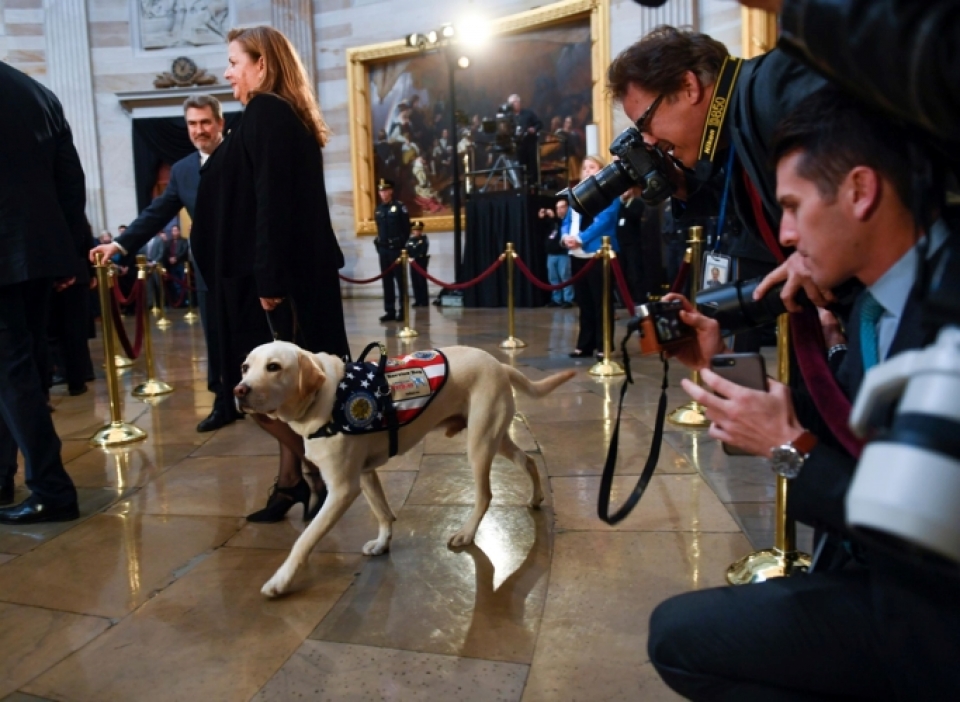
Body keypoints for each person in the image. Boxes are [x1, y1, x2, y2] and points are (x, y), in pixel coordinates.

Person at [647, 86, 957, 700]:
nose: (784, 234)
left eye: (792, 206)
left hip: (931, 611)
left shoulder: (946, 306)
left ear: (860, 191)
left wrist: (789, 448)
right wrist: (724, 367)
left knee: (681, 640)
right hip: (874, 568)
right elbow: (845, 426)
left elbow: (924, 530)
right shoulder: (874, 303)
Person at [189, 26, 350, 523]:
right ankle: (289, 485)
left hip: (273, 284)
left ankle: (322, 471)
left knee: (256, 396)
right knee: (282, 394)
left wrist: (269, 283)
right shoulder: (272, 113)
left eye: (235, 61)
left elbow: (273, 206)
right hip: (274, 277)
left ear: (262, 64)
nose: (227, 71)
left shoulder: (266, 112)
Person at [90, 95, 238, 432]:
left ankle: (265, 401)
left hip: (247, 268)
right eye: (192, 124)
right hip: (206, 271)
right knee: (215, 338)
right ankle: (223, 402)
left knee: (253, 336)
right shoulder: (184, 169)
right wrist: (118, 243)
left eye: (205, 122)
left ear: (220, 123)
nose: (199, 130)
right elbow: (157, 213)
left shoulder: (241, 156)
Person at [0, 60, 86, 524]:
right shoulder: (36, 93)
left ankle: (52, 489)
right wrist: (69, 250)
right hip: (37, 253)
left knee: (14, 376)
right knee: (20, 368)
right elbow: (71, 180)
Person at [563, 155, 620, 358]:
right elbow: (567, 220)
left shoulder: (610, 194)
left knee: (601, 302)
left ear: (601, 170)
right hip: (577, 253)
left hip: (598, 253)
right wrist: (566, 237)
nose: (587, 171)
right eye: (585, 167)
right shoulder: (576, 194)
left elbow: (604, 221)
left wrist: (580, 238)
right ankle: (585, 344)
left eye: (592, 167)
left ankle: (604, 345)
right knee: (584, 302)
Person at [373, 178, 411, 322]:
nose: (383, 193)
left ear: (391, 191)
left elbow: (406, 229)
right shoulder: (379, 210)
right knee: (386, 282)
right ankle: (390, 310)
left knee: (401, 282)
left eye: (385, 190)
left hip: (396, 250)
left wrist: (400, 244)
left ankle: (403, 310)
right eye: (381, 191)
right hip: (383, 250)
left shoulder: (400, 207)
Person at [539, 197, 575, 308]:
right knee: (553, 278)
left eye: (562, 207)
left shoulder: (567, 220)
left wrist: (554, 217)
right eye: (557, 208)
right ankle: (556, 299)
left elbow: (561, 225)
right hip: (551, 254)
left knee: (565, 276)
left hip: (563, 254)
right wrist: (542, 217)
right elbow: (545, 227)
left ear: (567, 208)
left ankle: (568, 299)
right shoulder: (553, 222)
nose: (559, 210)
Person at [505, 93, 542, 188]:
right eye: (511, 103)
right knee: (519, 167)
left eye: (514, 102)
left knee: (532, 166)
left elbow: (539, 124)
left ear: (519, 102)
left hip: (530, 144)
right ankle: (520, 186)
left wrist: (534, 129)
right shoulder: (508, 117)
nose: (513, 105)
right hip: (517, 147)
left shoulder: (529, 113)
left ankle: (534, 185)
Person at [405, 221, 430, 307]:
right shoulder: (410, 240)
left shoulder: (423, 239)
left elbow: (423, 251)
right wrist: (408, 257)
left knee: (421, 282)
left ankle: (424, 300)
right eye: (415, 230)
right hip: (412, 263)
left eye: (419, 230)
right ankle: (417, 300)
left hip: (421, 262)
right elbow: (407, 249)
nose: (417, 232)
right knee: (414, 281)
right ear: (412, 231)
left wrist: (414, 258)